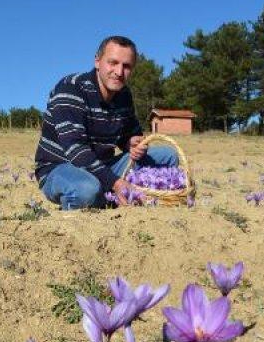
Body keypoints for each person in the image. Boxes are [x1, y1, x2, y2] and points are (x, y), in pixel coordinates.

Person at [34, 35, 179, 210]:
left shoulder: (124, 95)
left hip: (104, 166)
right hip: (62, 168)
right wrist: (115, 183)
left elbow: (130, 135)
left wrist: (132, 144)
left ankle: (110, 195)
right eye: (113, 63)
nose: (119, 72)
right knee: (87, 189)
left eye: (126, 66)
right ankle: (107, 198)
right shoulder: (71, 89)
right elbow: (76, 150)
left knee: (168, 156)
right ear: (97, 61)